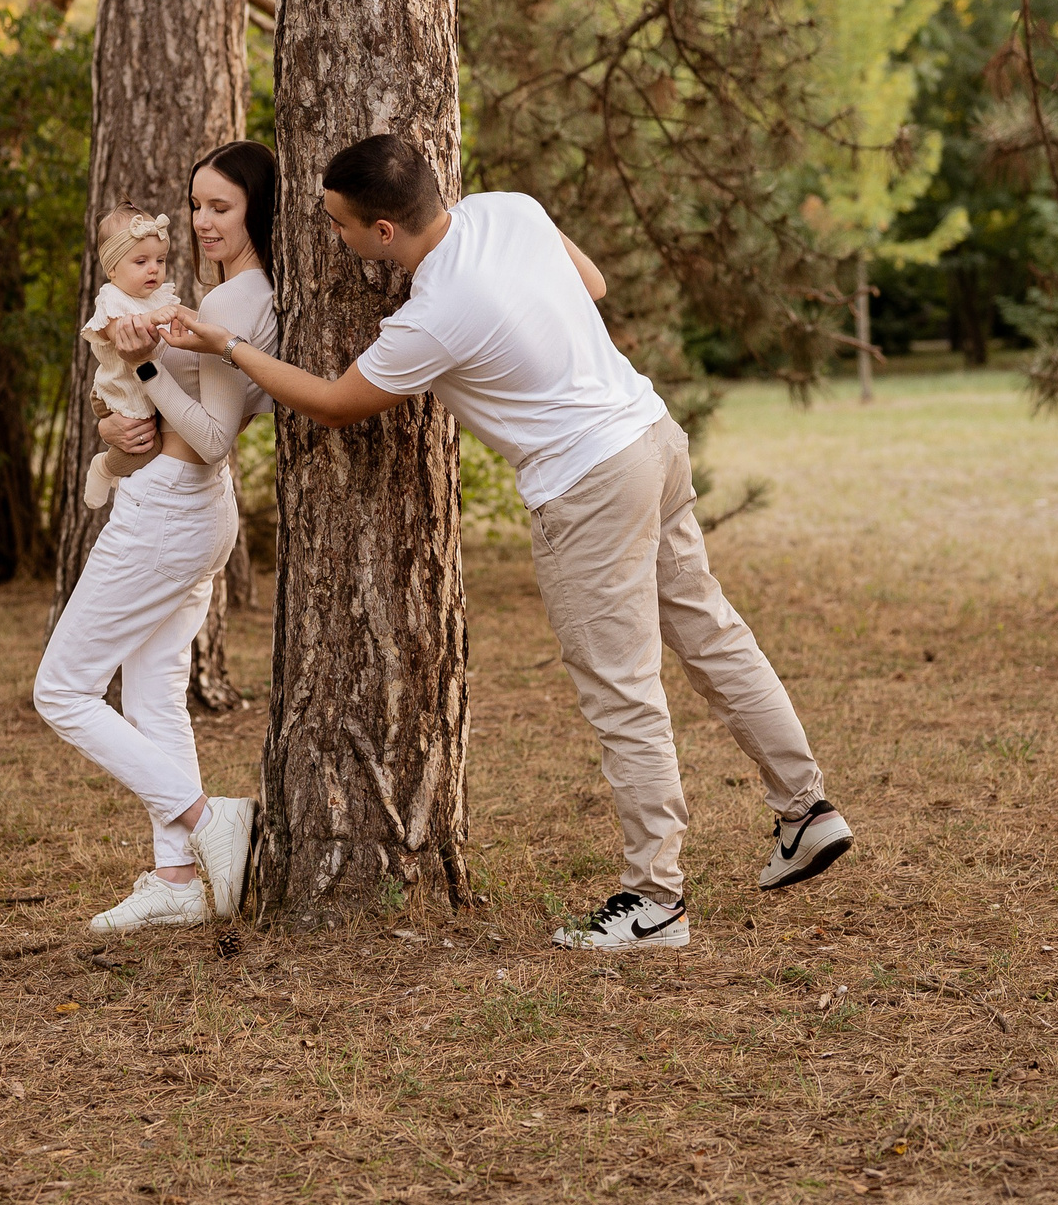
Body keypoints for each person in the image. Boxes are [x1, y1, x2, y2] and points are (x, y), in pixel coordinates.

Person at [161, 134, 851, 951]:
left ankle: (655, 900)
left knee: (622, 690)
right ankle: (805, 808)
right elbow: (590, 283)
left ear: (385, 231)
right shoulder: (508, 210)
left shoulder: (431, 316)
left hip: (587, 484)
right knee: (712, 634)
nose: (336, 240)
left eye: (343, 226)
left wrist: (227, 346)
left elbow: (334, 402)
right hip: (650, 435)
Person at [34, 142, 282, 935]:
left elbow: (211, 435)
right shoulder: (225, 291)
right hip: (188, 507)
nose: (204, 222)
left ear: (256, 212)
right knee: (150, 695)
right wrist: (115, 429)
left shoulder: (238, 303)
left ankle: (206, 819)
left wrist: (143, 372)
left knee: (62, 690)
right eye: (198, 205)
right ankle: (178, 875)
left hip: (174, 509)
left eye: (223, 207)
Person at [78, 204, 178, 509]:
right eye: (141, 261)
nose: (154, 269)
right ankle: (105, 467)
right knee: (148, 447)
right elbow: (122, 332)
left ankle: (125, 476)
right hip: (119, 392)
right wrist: (154, 319)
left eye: (159, 260)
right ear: (112, 269)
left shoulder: (157, 297)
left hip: (145, 387)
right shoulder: (111, 298)